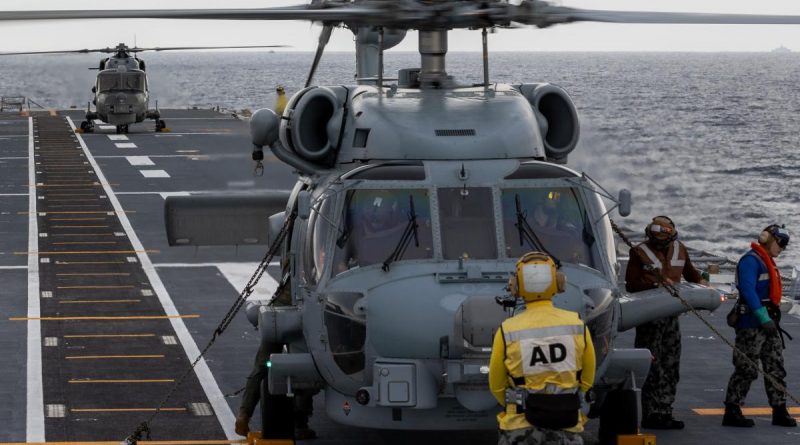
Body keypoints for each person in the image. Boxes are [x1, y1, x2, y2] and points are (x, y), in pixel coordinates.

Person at [489, 252, 595, 445]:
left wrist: (517, 404)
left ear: (516, 286)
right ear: (558, 282)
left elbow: (496, 384)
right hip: (567, 423)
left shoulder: (507, 330)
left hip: (519, 426)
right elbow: (587, 378)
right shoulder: (577, 325)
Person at [625, 215, 707, 430]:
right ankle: (650, 412)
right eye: (657, 238)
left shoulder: (680, 249)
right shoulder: (639, 252)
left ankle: (665, 410)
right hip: (648, 317)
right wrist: (656, 282)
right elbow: (631, 285)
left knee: (670, 364)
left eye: (664, 239)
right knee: (651, 364)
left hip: (671, 317)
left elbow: (692, 276)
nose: (660, 243)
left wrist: (704, 288)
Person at [722, 224, 796, 428]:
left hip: (769, 324)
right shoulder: (751, 261)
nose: (783, 247)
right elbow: (747, 290)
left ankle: (779, 410)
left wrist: (768, 320)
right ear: (767, 239)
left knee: (776, 368)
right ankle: (732, 410)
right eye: (781, 243)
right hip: (751, 325)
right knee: (746, 368)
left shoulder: (767, 262)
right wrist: (763, 317)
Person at [235, 281, 317, 439]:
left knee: (262, 364)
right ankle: (300, 423)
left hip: (281, 308)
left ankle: (244, 413)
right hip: (307, 307)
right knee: (305, 365)